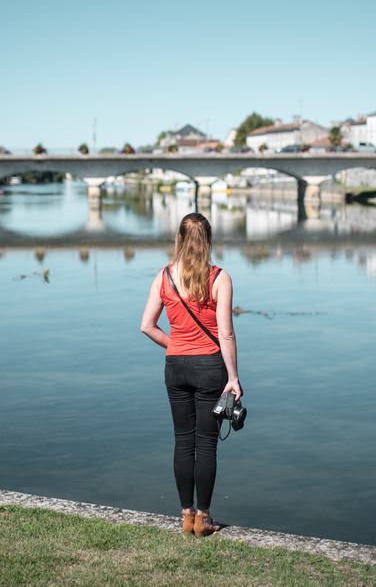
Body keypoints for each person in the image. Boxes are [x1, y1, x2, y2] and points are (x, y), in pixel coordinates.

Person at [140, 212, 242, 536]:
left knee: (183, 441)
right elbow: (225, 333)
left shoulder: (164, 277)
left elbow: (146, 326)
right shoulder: (219, 278)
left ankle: (185, 515)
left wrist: (176, 345)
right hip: (209, 367)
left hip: (176, 367)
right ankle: (204, 518)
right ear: (209, 240)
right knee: (206, 444)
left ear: (179, 240)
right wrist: (234, 378)